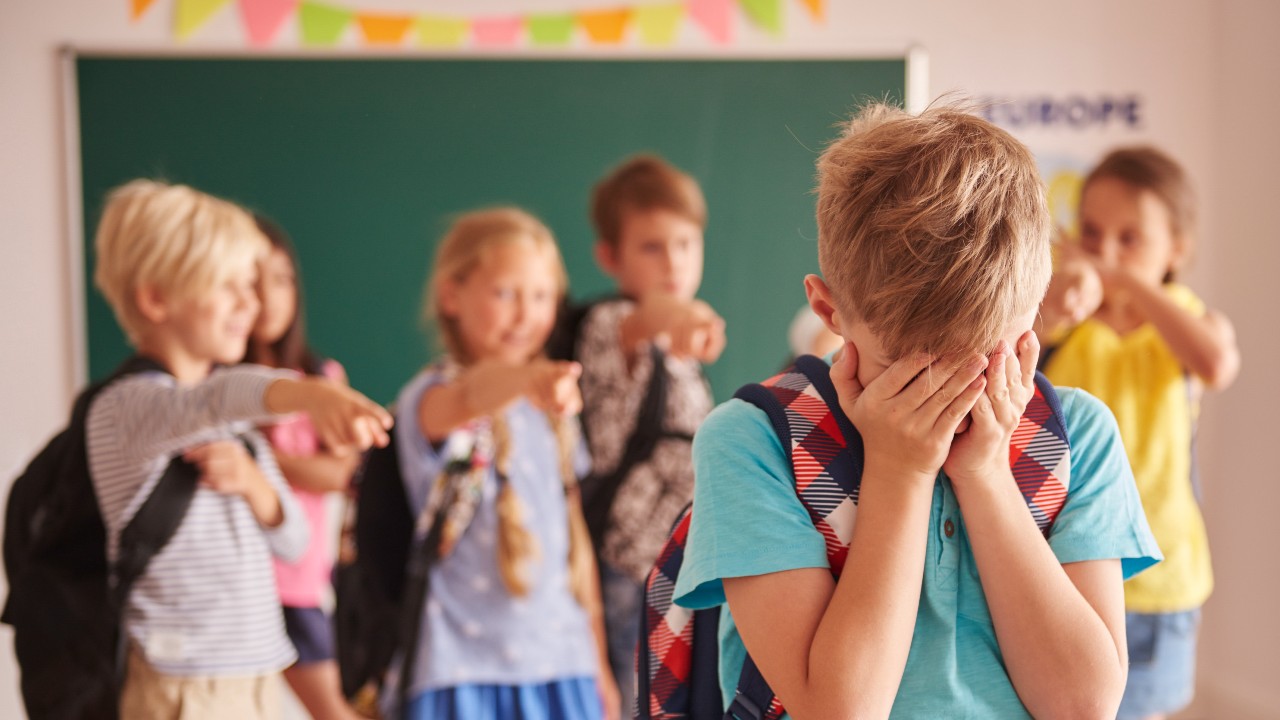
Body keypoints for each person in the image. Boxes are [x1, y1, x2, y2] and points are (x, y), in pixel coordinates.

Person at [671, 103, 1161, 718]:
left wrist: (985, 474)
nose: (949, 401)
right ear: (830, 313)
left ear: (1036, 304)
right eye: (910, 372)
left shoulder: (1079, 435)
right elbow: (840, 709)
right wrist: (900, 471)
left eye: (982, 364)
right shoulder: (750, 442)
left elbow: (1083, 705)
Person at [87, 179, 391, 719]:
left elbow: (297, 541)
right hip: (182, 685)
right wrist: (310, 393)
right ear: (156, 298)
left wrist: (254, 484)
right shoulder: (129, 408)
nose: (250, 303)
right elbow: (215, 398)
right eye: (228, 285)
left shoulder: (237, 430)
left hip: (249, 678)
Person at [391, 207, 618, 719]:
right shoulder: (433, 398)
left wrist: (597, 661)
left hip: (563, 667)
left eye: (541, 297)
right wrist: (528, 380)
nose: (525, 314)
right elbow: (475, 392)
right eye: (505, 293)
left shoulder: (550, 415)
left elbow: (573, 545)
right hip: (462, 672)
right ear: (452, 296)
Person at [1039, 146, 1240, 720]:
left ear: (1177, 248)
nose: (1106, 252)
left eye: (1131, 239)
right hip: (1062, 574)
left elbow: (1216, 364)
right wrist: (1066, 298)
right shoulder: (1065, 322)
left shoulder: (1188, 319)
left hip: (1160, 579)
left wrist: (1128, 283)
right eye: (1094, 232)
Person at [564, 155, 723, 714]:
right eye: (651, 247)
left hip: (678, 564)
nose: (673, 261)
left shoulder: (681, 359)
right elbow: (647, 315)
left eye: (685, 243)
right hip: (629, 565)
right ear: (610, 257)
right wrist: (683, 315)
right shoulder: (612, 325)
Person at [243, 215, 364, 720]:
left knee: (332, 710)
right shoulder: (212, 386)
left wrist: (256, 459)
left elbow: (340, 474)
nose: (269, 296)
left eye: (282, 278)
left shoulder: (321, 379)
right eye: (252, 281)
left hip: (300, 582)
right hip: (238, 583)